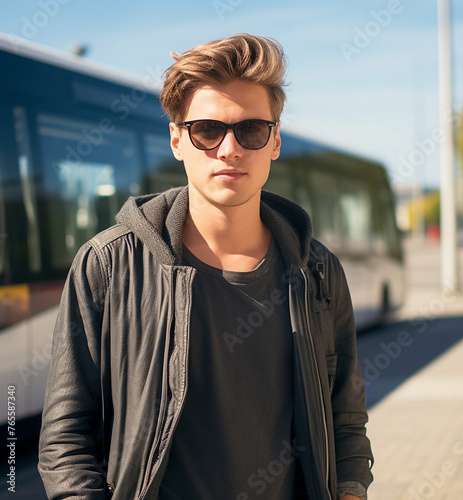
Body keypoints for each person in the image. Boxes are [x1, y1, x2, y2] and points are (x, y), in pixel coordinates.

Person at [38, 33, 373, 499]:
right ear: (177, 139)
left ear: (274, 141)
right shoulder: (108, 265)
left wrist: (352, 490)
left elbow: (346, 415)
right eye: (207, 131)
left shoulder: (317, 270)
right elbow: (66, 434)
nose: (229, 149)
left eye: (251, 130)